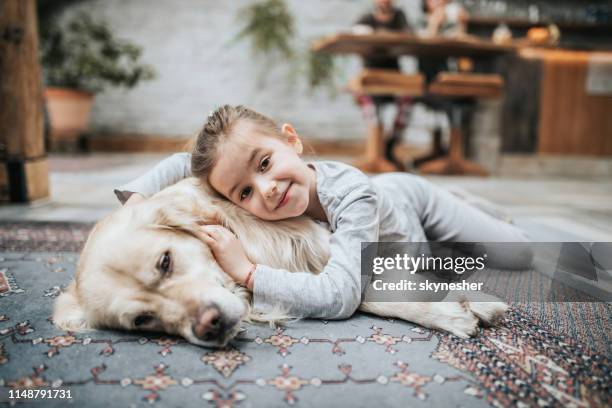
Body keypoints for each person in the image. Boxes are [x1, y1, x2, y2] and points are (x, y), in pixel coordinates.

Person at [115, 105, 532, 320]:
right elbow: (181, 163)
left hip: (408, 201)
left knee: (519, 254)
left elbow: (341, 296)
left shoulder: (351, 194)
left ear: (291, 140)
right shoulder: (255, 191)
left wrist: (250, 274)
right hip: (388, 235)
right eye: (244, 191)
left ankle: (465, 202)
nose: (267, 188)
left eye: (264, 163)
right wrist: (134, 209)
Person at [353, 0, 413, 169]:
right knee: (369, 100)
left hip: (393, 76)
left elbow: (409, 35)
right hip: (370, 75)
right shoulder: (366, 18)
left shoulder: (400, 17)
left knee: (407, 100)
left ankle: (390, 145)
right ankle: (373, 155)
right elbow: (356, 39)